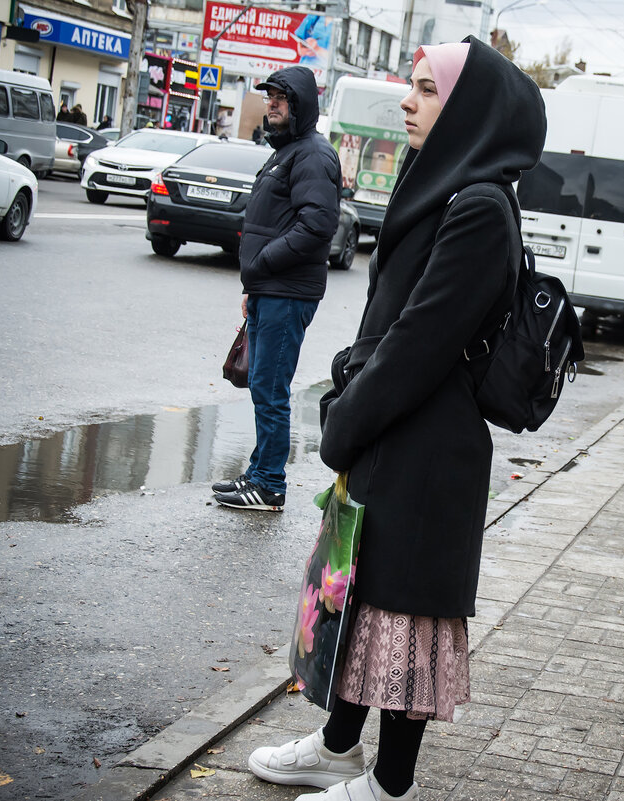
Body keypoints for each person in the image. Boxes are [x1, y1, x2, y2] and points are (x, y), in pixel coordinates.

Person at [246, 38, 545, 800]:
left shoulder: (479, 204)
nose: (407, 102)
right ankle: (339, 747)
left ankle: (390, 784)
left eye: (425, 90)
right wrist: (353, 378)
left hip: (426, 441)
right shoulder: (443, 183)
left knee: (404, 613)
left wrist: (344, 418)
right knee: (364, 596)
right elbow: (390, 315)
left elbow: (420, 342)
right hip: (396, 427)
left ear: (470, 109)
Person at [212, 65, 341, 512]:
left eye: (281, 98)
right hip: (271, 289)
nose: (272, 104)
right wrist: (254, 285)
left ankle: (269, 484)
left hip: (288, 291)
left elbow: (317, 225)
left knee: (270, 386)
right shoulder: (287, 151)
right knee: (264, 385)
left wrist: (264, 265)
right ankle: (258, 473)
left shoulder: (311, 155)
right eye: (269, 97)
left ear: (301, 104)